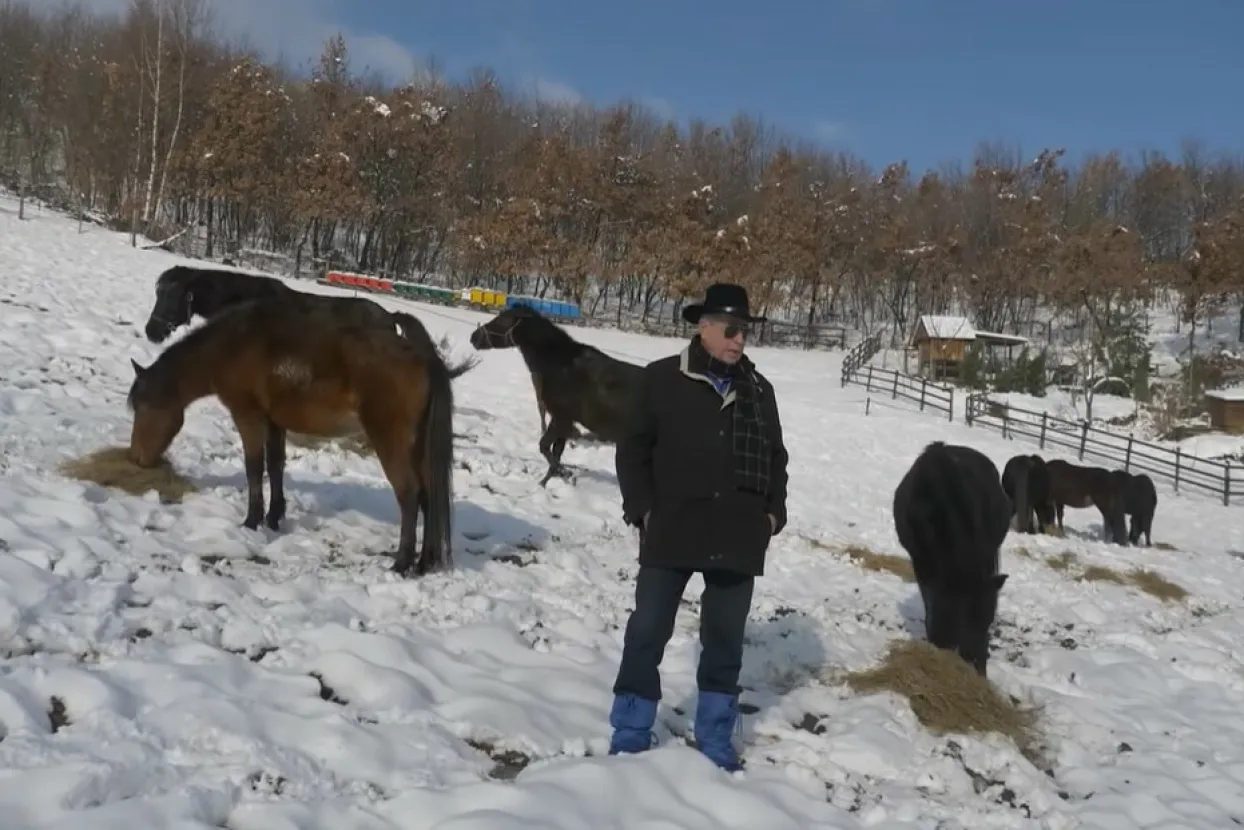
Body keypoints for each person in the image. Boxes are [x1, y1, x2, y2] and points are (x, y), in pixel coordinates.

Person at [608, 281, 790, 772]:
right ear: (704, 328)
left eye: (745, 331)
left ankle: (714, 738)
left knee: (725, 641)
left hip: (738, 533)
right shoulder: (661, 379)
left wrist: (772, 515)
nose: (739, 340)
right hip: (672, 526)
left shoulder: (759, 391)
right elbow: (632, 450)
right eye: (730, 330)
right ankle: (630, 729)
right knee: (647, 630)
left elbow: (776, 458)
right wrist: (643, 510)